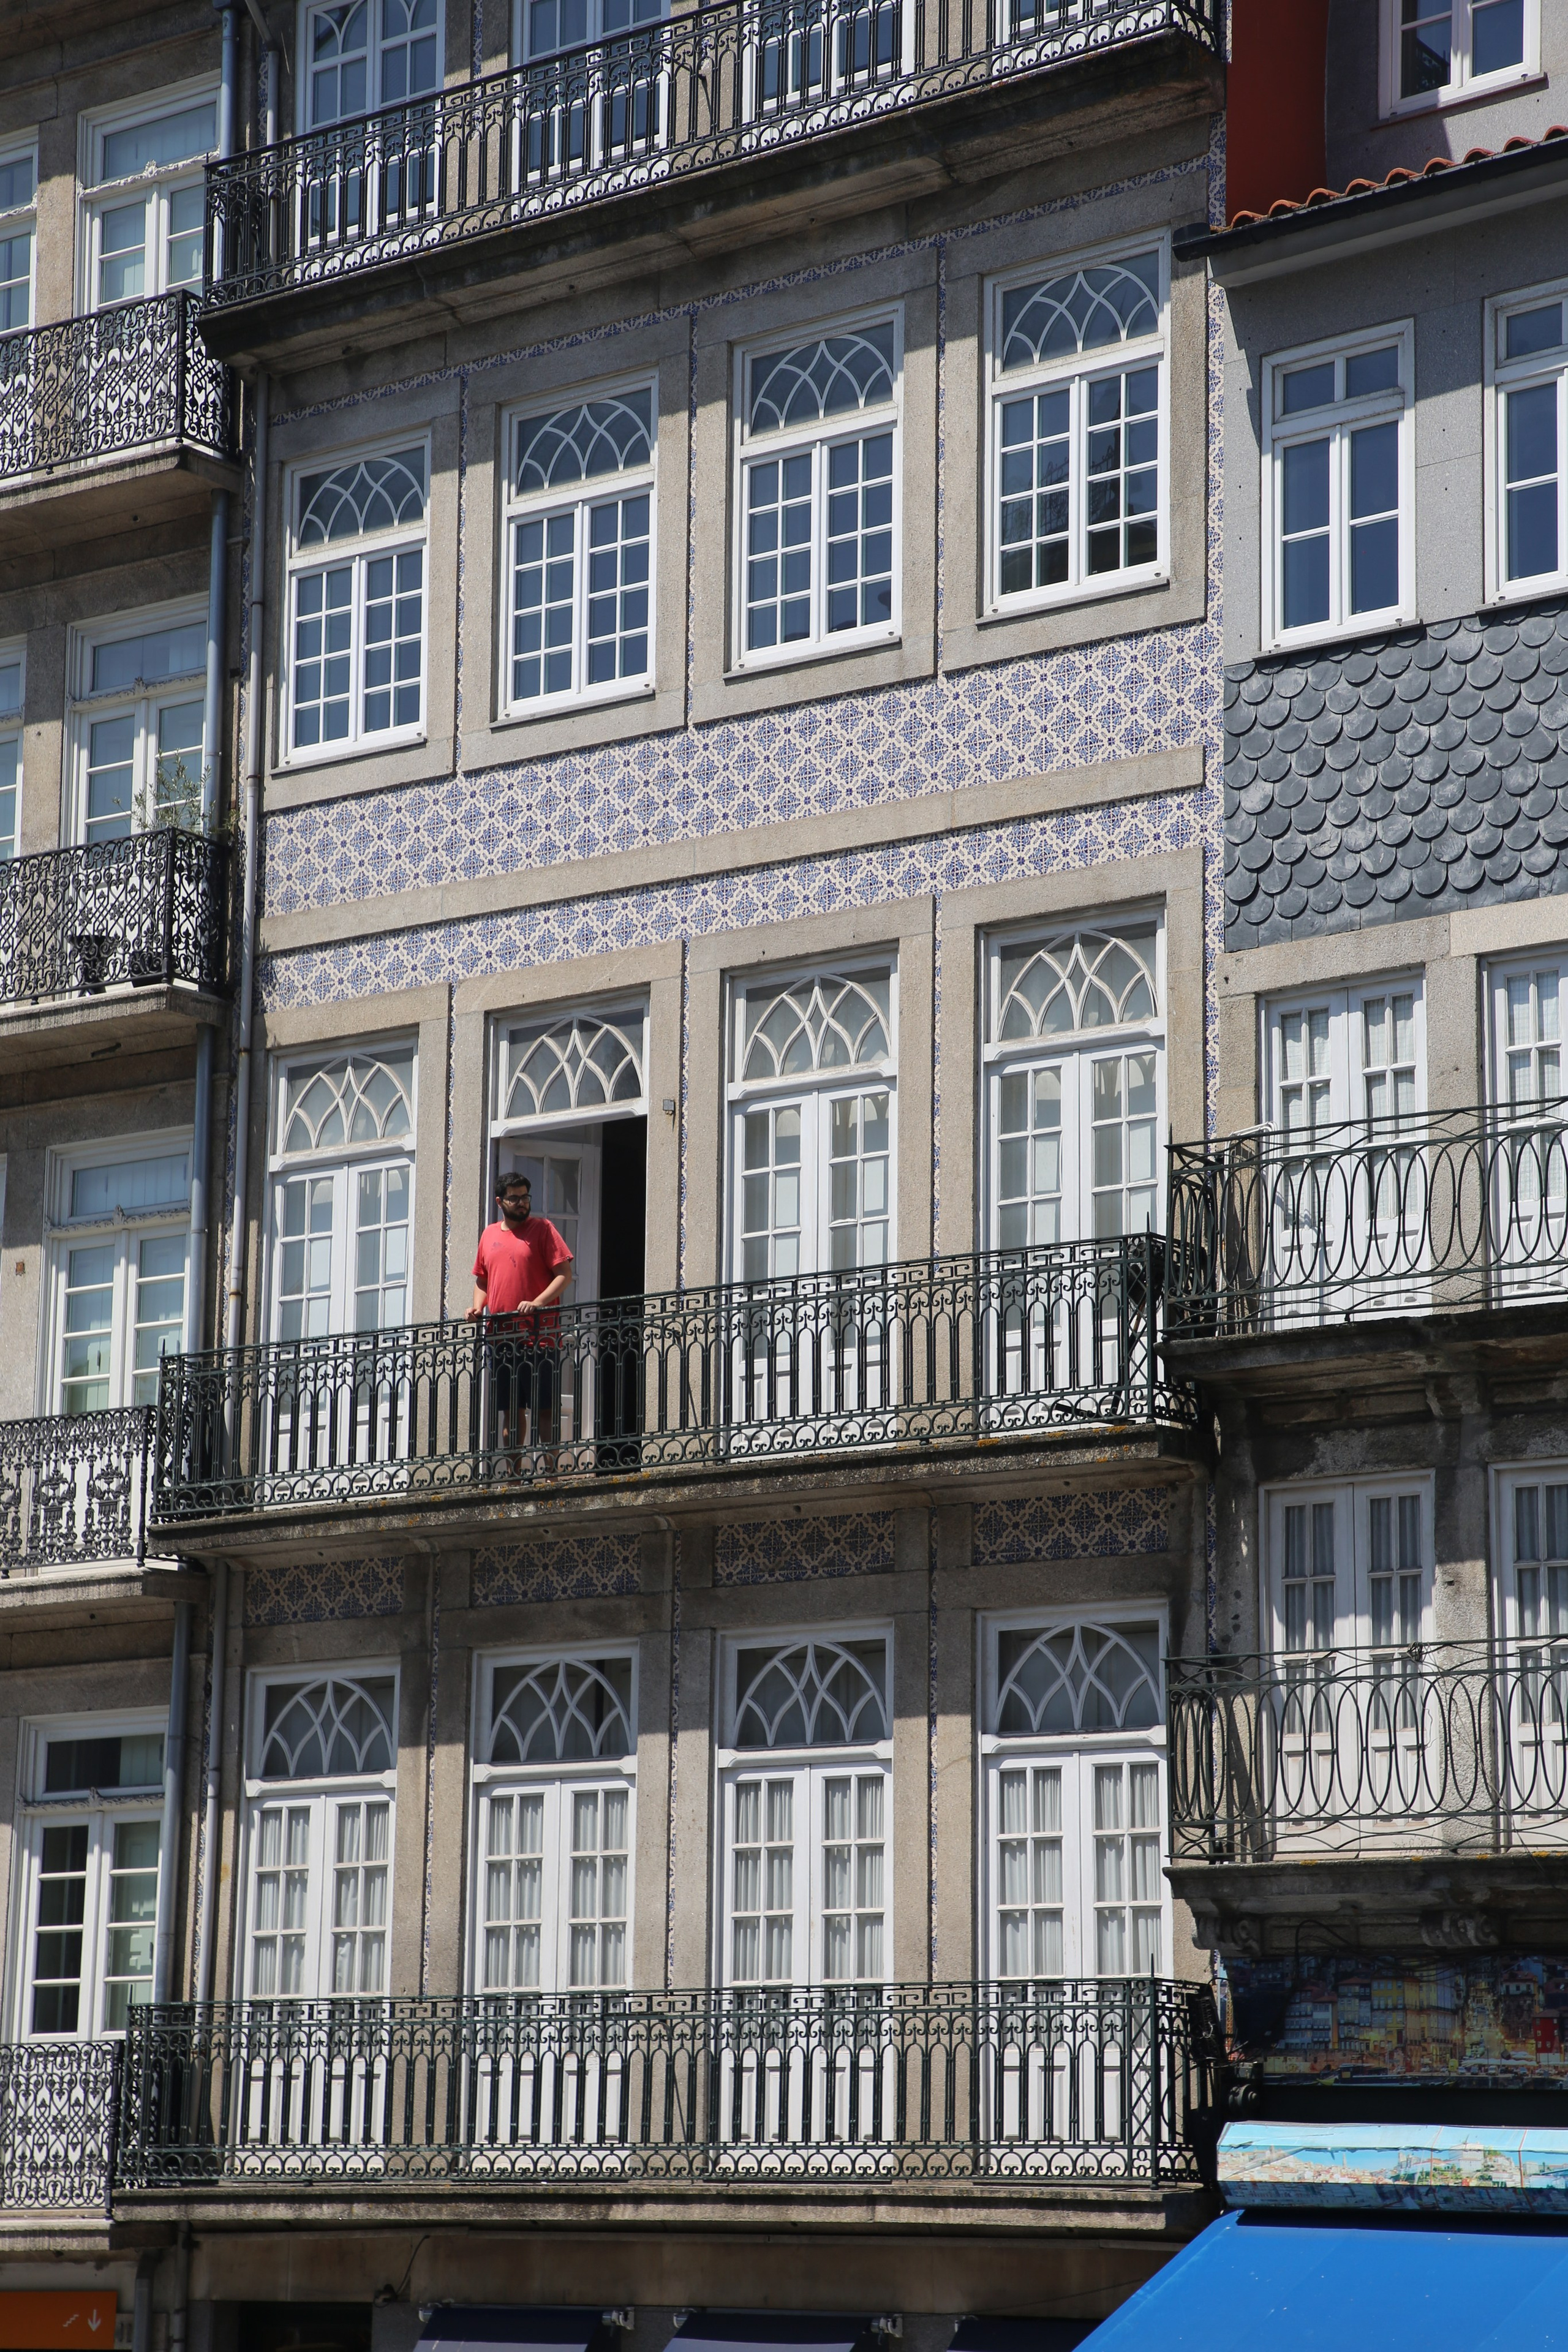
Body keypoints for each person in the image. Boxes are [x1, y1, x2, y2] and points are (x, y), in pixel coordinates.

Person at [468, 1172, 574, 1474]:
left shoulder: (543, 1229)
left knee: (545, 1408)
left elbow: (563, 1275)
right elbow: (483, 1280)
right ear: (500, 1202)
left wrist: (538, 1302)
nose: (522, 1203)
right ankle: (515, 1477)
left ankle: (552, 1474)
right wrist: (477, 1308)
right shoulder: (489, 1235)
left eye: (526, 1196)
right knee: (511, 1412)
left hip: (539, 1335)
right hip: (502, 1338)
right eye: (515, 1198)